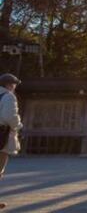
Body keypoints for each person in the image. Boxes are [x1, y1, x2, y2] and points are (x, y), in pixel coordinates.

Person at [0, 74, 22, 210]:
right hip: (2, 134)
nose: (14, 87)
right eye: (14, 85)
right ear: (9, 85)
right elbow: (9, 117)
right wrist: (19, 125)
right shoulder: (8, 96)